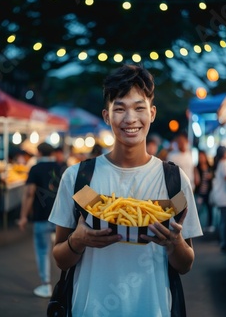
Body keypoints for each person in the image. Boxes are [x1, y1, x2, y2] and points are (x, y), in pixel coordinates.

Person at [48, 64, 202, 316]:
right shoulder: (78, 178)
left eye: (139, 108)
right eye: (119, 108)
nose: (130, 119)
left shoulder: (174, 180)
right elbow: (60, 258)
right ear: (107, 116)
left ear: (152, 113)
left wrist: (174, 244)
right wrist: (78, 241)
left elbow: (185, 264)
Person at [18, 142, 63, 298]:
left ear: (38, 152)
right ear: (52, 153)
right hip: (61, 217)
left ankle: (46, 285)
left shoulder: (35, 169)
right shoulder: (61, 167)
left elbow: (30, 193)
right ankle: (67, 284)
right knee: (66, 249)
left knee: (43, 252)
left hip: (42, 216)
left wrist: (23, 216)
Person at [194, 149, 213, 231]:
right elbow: (196, 181)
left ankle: (210, 225)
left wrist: (211, 177)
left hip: (208, 192)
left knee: (209, 209)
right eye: (200, 157)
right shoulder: (196, 168)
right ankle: (196, 226)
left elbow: (213, 178)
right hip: (200, 193)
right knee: (198, 210)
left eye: (202, 156)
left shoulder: (210, 167)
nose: (201, 158)